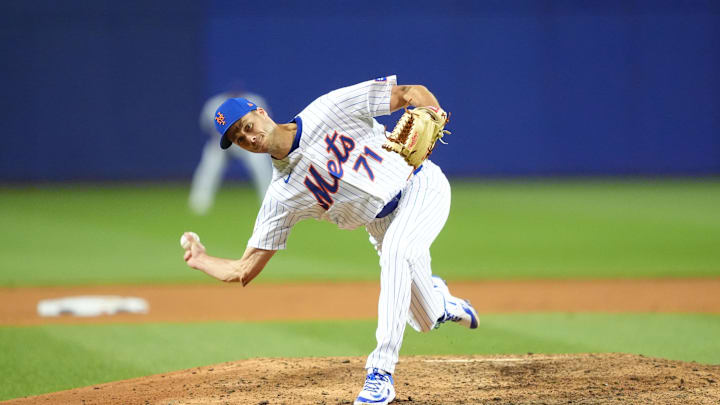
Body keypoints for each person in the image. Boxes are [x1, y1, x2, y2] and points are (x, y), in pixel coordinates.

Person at [181, 76, 478, 405]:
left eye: (247, 125)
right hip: (380, 225)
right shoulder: (281, 195)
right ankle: (441, 304)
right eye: (238, 138)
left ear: (262, 113)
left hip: (419, 187)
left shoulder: (329, 108)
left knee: (398, 251)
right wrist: (201, 260)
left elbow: (409, 93)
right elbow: (244, 269)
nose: (249, 138)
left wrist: (430, 110)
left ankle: (380, 373)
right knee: (424, 320)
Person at [188, 91, 273, 215]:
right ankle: (199, 203)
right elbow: (207, 125)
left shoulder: (254, 102)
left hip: (249, 140)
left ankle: (269, 202)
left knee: (261, 166)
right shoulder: (215, 104)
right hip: (222, 140)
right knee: (209, 168)